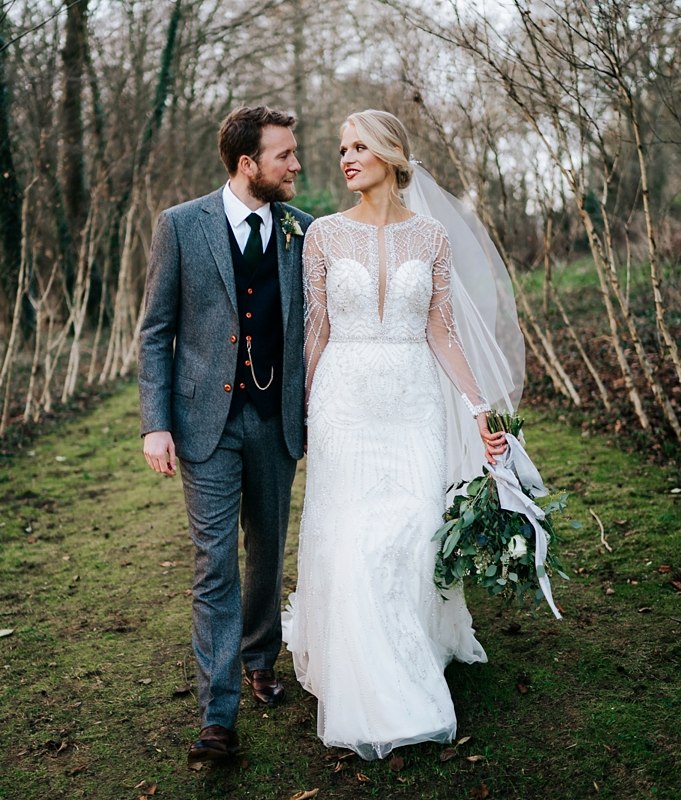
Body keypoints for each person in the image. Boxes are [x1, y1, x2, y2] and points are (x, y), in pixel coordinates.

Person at [282, 109, 523, 760]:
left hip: (414, 399)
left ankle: (408, 648)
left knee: (413, 528)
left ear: (392, 153)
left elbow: (441, 332)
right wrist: (301, 416)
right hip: (343, 400)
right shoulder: (324, 236)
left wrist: (477, 407)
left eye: (358, 146)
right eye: (340, 148)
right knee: (354, 532)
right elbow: (316, 331)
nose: (345, 157)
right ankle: (366, 677)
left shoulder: (432, 237)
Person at [137, 106, 314, 763]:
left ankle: (260, 658)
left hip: (276, 421)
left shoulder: (303, 232)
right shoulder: (181, 226)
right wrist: (155, 423)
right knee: (216, 564)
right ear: (249, 165)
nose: (296, 165)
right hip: (203, 424)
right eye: (285, 156)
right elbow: (155, 329)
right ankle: (217, 718)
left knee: (266, 550)